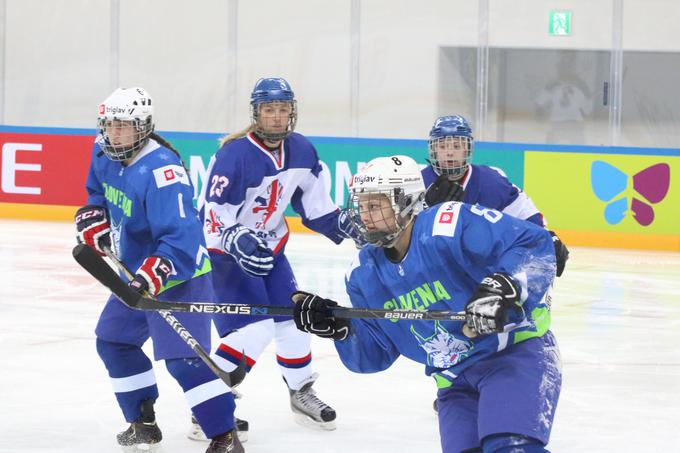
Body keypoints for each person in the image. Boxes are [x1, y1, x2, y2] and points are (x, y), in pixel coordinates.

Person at [291, 155, 562, 453]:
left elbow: (532, 244)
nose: (364, 216)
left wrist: (503, 288)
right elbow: (374, 354)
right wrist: (340, 326)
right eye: (361, 206)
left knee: (511, 448)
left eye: (375, 205)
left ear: (406, 201)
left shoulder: (448, 224)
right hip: (453, 382)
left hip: (512, 354)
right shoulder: (362, 272)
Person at [75, 87, 242, 453]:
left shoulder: (163, 171)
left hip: (180, 277)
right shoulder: (102, 150)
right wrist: (92, 215)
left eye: (124, 126)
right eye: (109, 125)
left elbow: (181, 238)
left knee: (184, 362)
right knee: (115, 342)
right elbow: (96, 193)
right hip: (134, 274)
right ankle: (143, 422)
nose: (114, 134)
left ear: (144, 127)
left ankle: (224, 436)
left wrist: (153, 273)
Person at [197, 77, 364, 435]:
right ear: (257, 113)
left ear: (292, 112)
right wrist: (235, 239)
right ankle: (207, 408)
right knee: (253, 330)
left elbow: (317, 208)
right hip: (225, 253)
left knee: (294, 319)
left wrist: (347, 226)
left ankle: (300, 391)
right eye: (269, 109)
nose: (276, 117)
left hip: (270, 248)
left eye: (282, 109)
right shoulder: (235, 154)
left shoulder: (302, 150)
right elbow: (212, 213)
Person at [422, 115, 569, 278]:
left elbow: (525, 214)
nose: (449, 153)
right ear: (434, 149)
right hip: (431, 270)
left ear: (468, 149)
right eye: (442, 146)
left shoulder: (491, 181)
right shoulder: (416, 182)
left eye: (457, 146)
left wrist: (546, 237)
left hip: (477, 270)